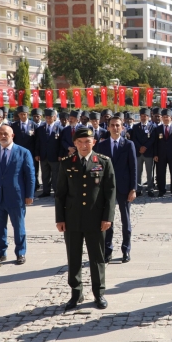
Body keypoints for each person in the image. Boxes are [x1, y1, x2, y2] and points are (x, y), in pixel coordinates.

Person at [55, 127, 116, 311]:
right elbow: (60, 194)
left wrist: (108, 217)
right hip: (72, 218)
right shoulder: (67, 163)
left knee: (97, 257)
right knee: (73, 256)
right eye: (80, 142)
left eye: (87, 142)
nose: (83, 145)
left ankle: (99, 293)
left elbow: (110, 192)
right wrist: (60, 218)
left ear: (94, 142)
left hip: (96, 218)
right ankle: (76, 292)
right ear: (74, 143)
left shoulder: (103, 162)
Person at [0, 124, 35, 266]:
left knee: (19, 227)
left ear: (12, 135)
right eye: (0, 134)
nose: (3, 136)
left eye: (6, 133)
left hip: (16, 196)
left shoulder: (23, 152)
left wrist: (30, 194)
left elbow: (30, 175)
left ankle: (20, 253)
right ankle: (0, 253)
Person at [94, 116, 137, 263]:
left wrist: (133, 188)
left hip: (124, 187)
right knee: (108, 220)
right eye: (112, 125)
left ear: (122, 127)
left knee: (126, 221)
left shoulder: (128, 144)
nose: (115, 128)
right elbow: (97, 168)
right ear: (108, 127)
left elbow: (133, 168)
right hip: (107, 188)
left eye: (118, 125)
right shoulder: (102, 145)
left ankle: (126, 250)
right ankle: (108, 250)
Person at [35, 109, 63, 198]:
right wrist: (37, 154)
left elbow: (61, 144)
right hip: (43, 155)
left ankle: (56, 191)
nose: (48, 119)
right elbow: (37, 142)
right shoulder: (40, 129)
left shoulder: (59, 128)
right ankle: (46, 191)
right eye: (47, 117)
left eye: (50, 117)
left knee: (55, 175)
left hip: (55, 156)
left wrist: (60, 155)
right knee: (45, 174)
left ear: (54, 117)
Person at [152, 109, 172, 197]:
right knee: (160, 173)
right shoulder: (157, 129)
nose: (165, 118)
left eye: (167, 117)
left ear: (171, 118)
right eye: (163, 117)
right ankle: (161, 190)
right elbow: (155, 143)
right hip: (161, 155)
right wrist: (155, 154)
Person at [130, 108, 155, 197]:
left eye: (145, 116)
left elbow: (153, 139)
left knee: (149, 172)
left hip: (148, 152)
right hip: (138, 152)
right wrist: (140, 147)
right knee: (138, 172)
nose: (143, 118)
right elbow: (134, 138)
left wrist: (145, 147)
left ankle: (150, 189)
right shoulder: (136, 127)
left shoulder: (153, 126)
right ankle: (138, 189)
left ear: (148, 117)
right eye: (142, 116)